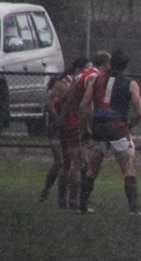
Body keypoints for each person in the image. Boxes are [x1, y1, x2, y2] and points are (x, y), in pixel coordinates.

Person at [77, 50, 141, 215]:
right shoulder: (130, 83)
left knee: (92, 169)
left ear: (110, 64)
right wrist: (131, 125)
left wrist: (86, 127)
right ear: (126, 67)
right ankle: (133, 209)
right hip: (118, 128)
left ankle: (82, 207)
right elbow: (139, 112)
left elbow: (84, 104)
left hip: (98, 128)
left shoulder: (96, 80)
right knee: (128, 168)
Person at [51, 51, 110, 211]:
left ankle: (62, 200)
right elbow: (86, 104)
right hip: (75, 120)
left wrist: (61, 115)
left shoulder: (81, 74)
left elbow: (63, 97)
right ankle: (75, 203)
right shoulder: (94, 77)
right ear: (106, 64)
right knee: (79, 163)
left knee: (66, 163)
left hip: (66, 119)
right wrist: (86, 127)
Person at [39, 57, 90, 205]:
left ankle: (70, 197)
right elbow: (50, 104)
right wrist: (57, 120)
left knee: (76, 162)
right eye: (87, 68)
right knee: (62, 162)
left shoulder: (81, 85)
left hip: (70, 126)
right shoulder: (64, 84)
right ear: (78, 70)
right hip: (60, 128)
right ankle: (47, 192)